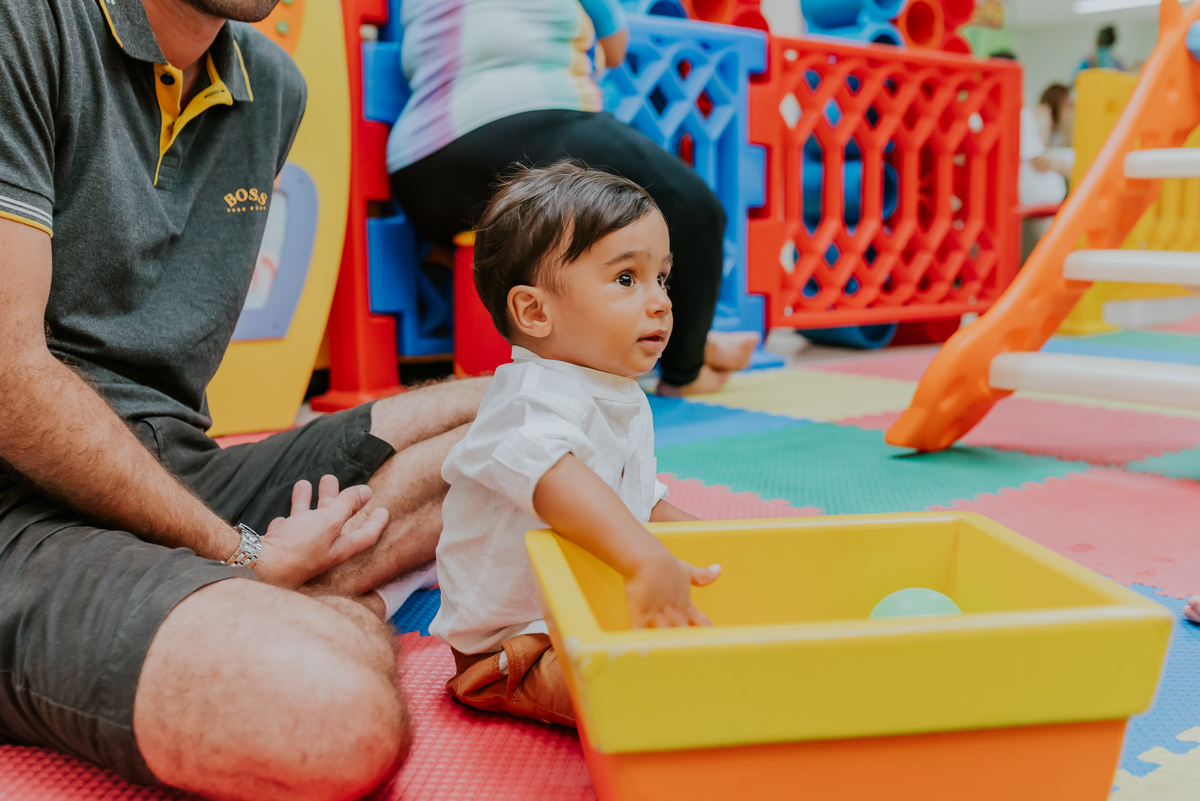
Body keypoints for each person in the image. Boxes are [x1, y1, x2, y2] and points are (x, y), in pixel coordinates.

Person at [0, 1, 488, 798]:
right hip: (16, 511)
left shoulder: (273, 86)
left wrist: (233, 548)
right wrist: (242, 554)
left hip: (176, 466)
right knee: (333, 720)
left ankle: (271, 597)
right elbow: (8, 383)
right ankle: (310, 604)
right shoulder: (24, 25)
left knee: (523, 415)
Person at [430, 164, 721, 725]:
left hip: (585, 611)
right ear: (535, 311)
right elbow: (554, 477)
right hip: (515, 645)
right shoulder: (528, 400)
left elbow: (640, 501)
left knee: (717, 628)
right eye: (626, 280)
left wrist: (729, 546)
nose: (660, 301)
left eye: (661, 277)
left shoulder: (618, 392)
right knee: (644, 695)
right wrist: (643, 558)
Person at [386, 0, 760, 397]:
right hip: (531, 122)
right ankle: (687, 369)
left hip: (420, 176)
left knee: (578, 256)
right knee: (693, 208)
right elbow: (615, 50)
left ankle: (691, 340)